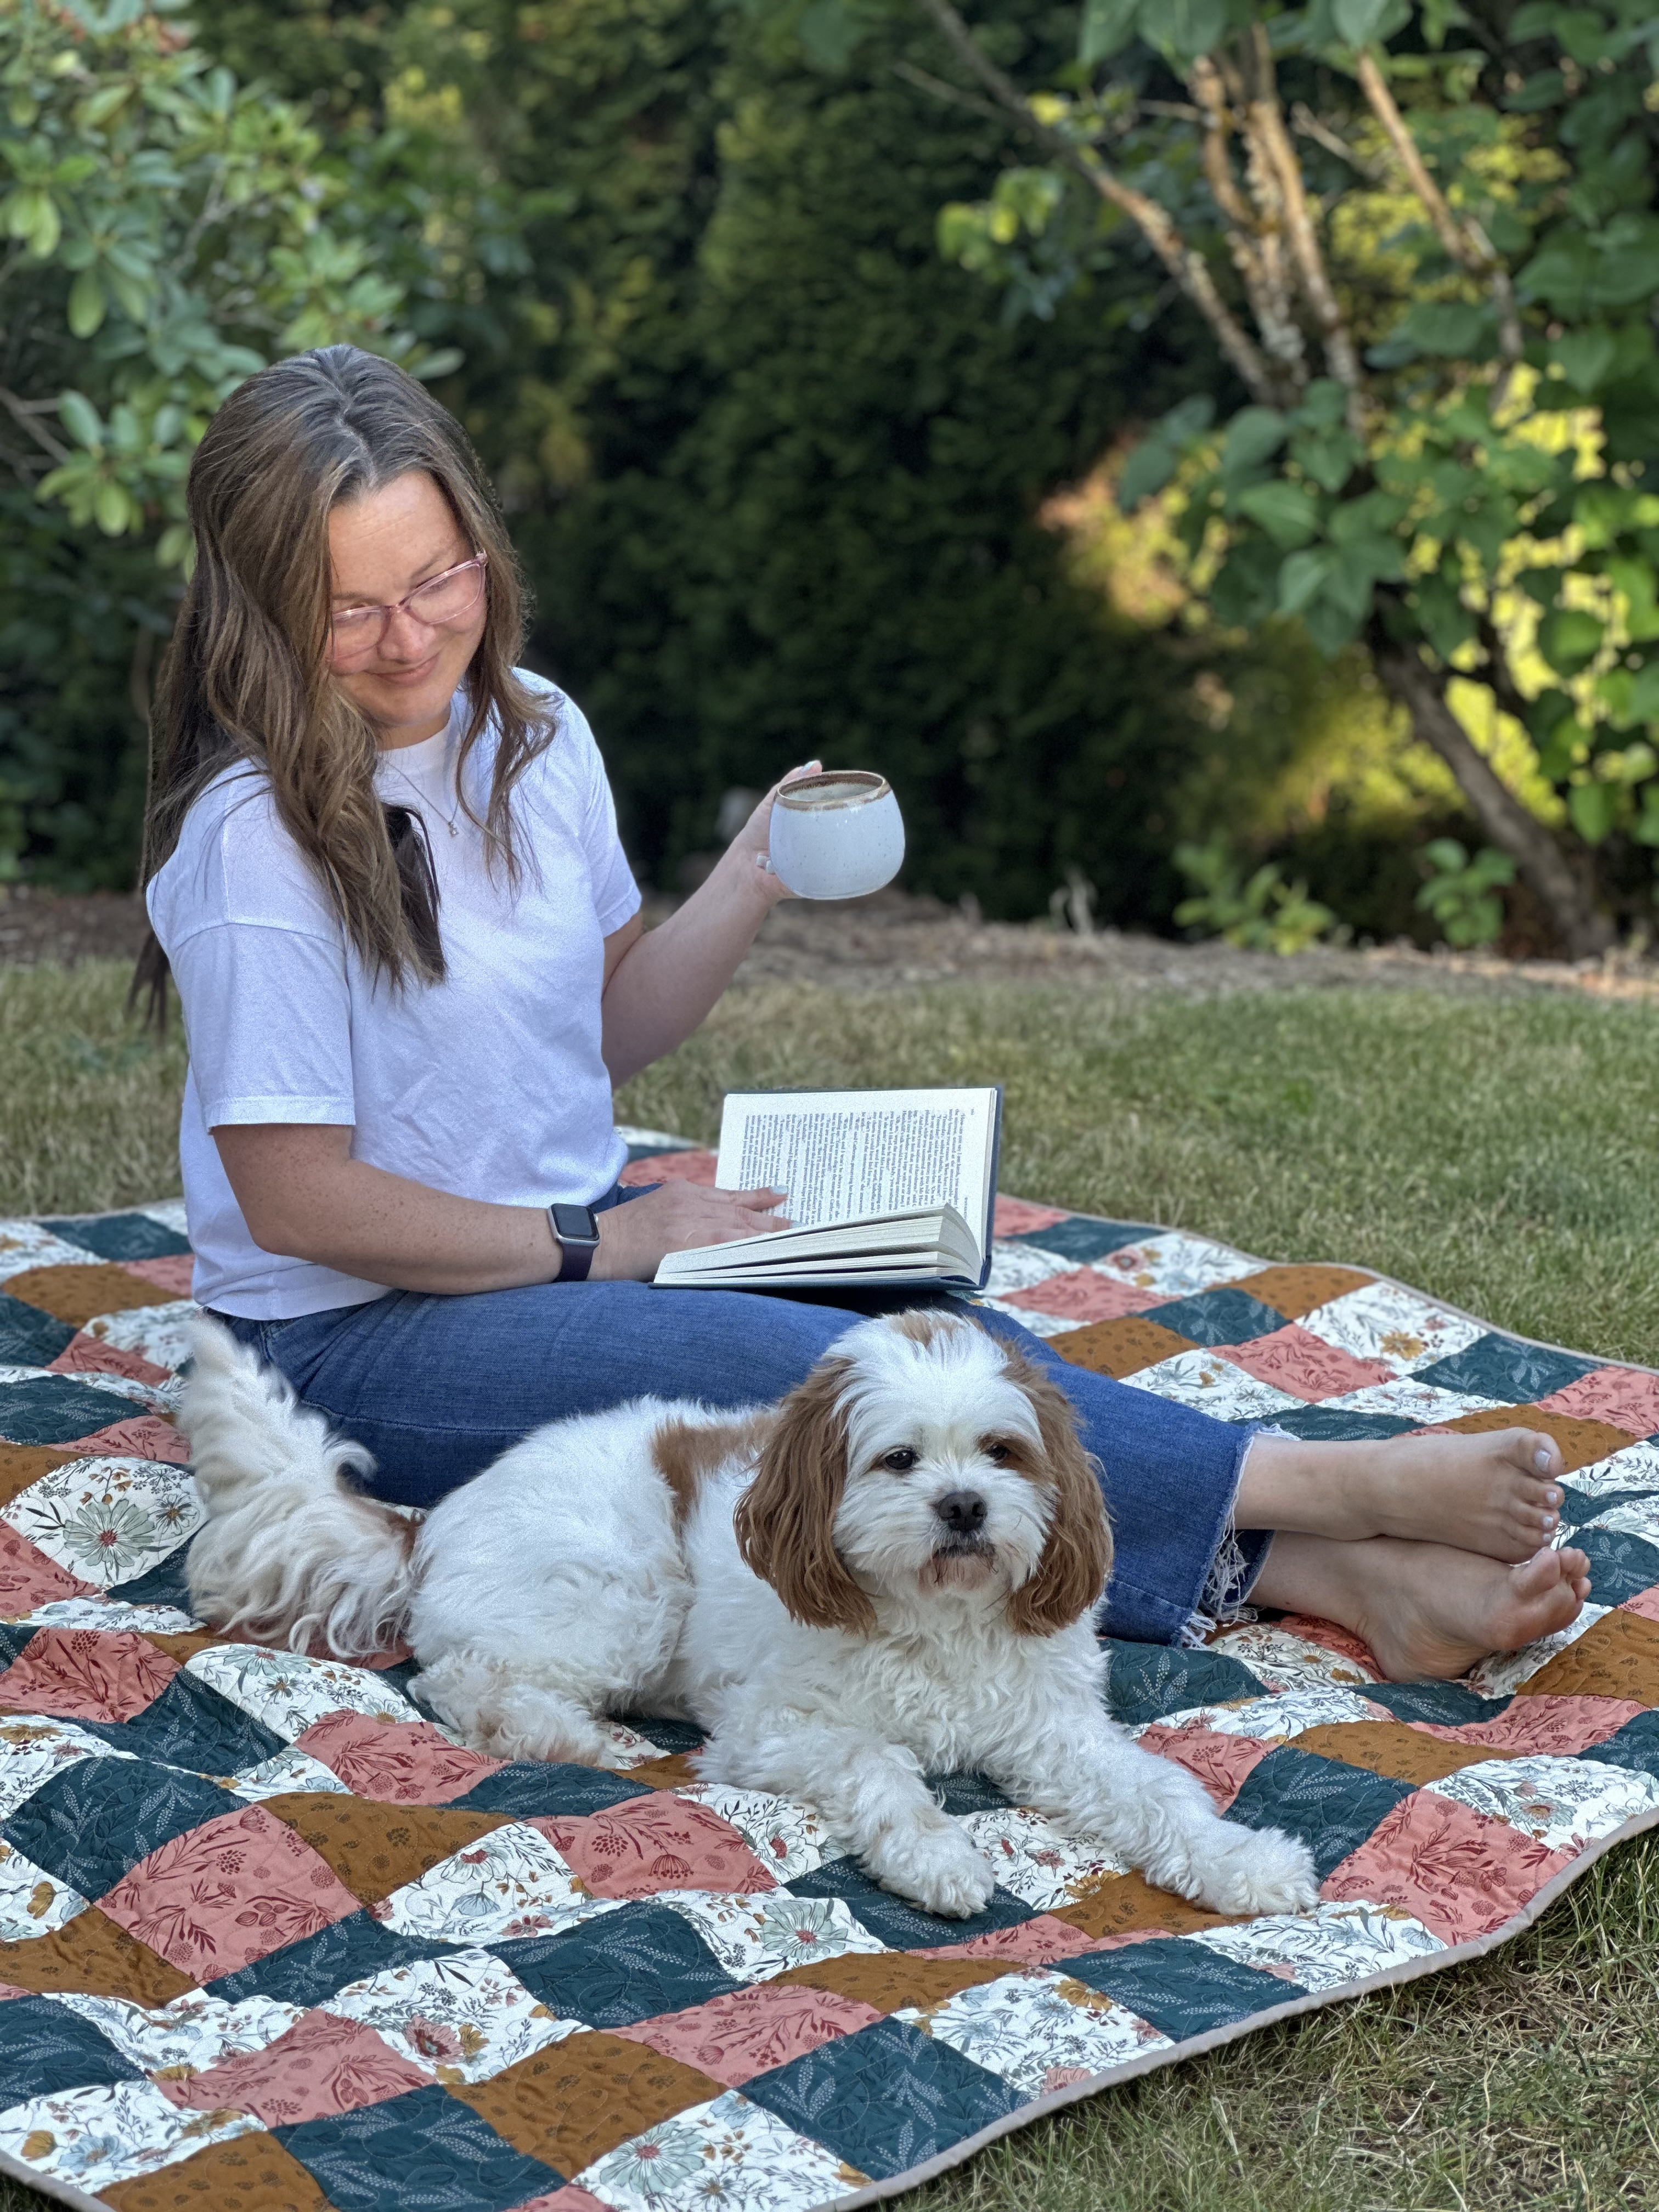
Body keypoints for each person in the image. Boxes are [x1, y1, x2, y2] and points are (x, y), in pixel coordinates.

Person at [140, 345, 1591, 1684]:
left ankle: (1319, 1573)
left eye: (437, 577)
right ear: (263, 607)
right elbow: (294, 1196)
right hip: (353, 1337)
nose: (410, 637)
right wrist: (607, 1242)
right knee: (811, 1388)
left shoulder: (534, 730)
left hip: (557, 1245)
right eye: (350, 608)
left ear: (481, 550)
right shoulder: (252, 839)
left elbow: (607, 1030)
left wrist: (755, 871)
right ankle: (1325, 1484)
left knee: (928, 1333)